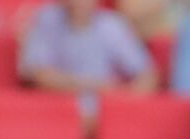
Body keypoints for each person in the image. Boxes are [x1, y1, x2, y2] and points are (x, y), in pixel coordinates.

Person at [19, 0, 156, 117]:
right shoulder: (47, 20)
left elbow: (148, 74)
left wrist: (126, 103)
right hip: (58, 114)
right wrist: (96, 86)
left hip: (106, 114)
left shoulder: (111, 25)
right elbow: (40, 75)